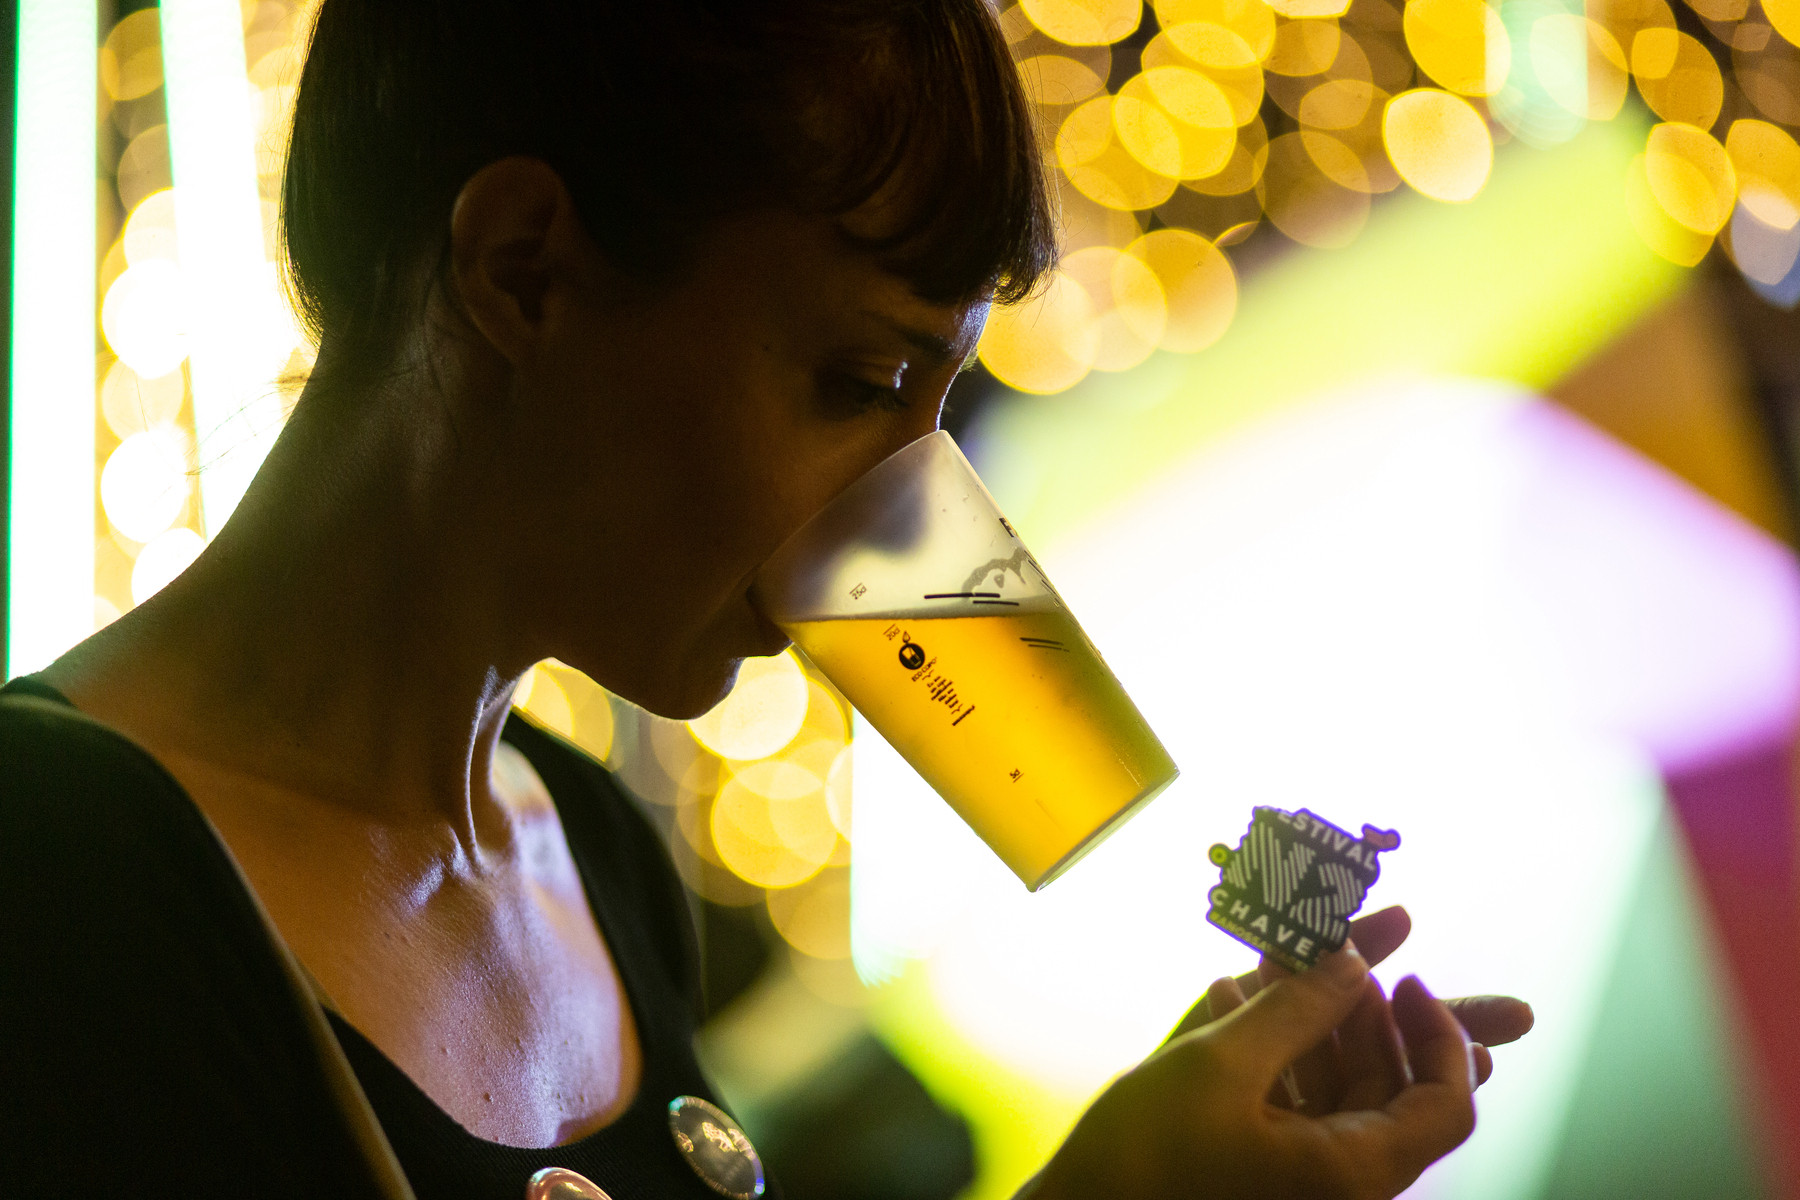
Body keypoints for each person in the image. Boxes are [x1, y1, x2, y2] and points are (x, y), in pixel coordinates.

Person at [0, 1, 1531, 1196]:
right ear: (523, 270)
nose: (913, 517)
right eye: (860, 380)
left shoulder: (590, 853)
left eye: (938, 404)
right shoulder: (60, 871)